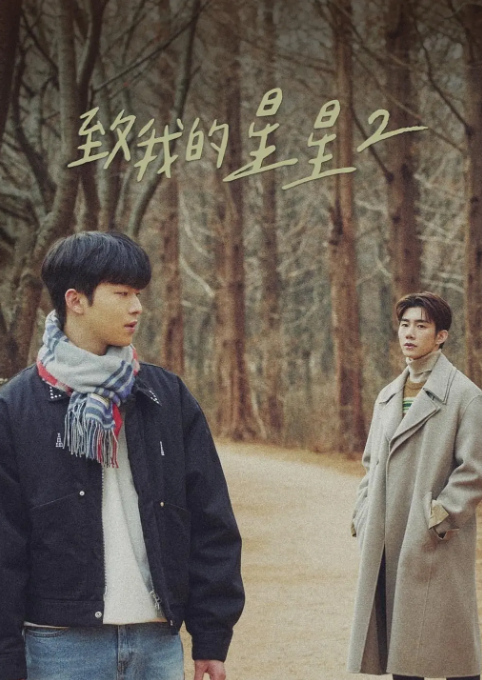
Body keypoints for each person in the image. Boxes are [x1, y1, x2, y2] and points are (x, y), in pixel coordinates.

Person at [0, 231, 244, 680]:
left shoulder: (164, 396)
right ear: (76, 300)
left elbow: (211, 521)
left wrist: (211, 635)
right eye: (122, 293)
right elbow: (5, 548)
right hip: (59, 647)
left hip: (156, 644)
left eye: (138, 294)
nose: (137, 307)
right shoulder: (16, 408)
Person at [348, 291, 482, 680]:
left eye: (421, 326)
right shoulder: (388, 395)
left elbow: (473, 470)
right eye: (405, 324)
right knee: (401, 649)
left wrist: (438, 516)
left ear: (441, 336)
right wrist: (363, 512)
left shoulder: (465, 396)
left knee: (454, 647)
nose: (409, 333)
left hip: (435, 536)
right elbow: (370, 463)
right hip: (387, 533)